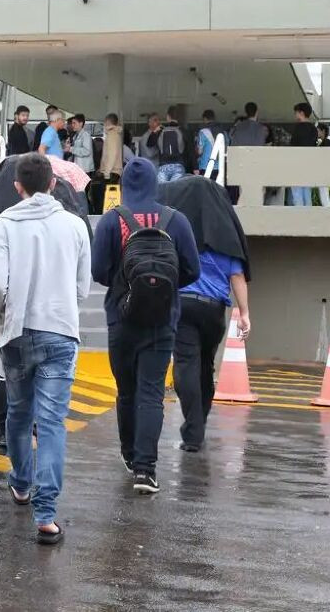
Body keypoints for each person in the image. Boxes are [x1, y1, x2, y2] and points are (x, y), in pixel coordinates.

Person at [0, 153, 91, 545]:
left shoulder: (5, 223)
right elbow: (83, 289)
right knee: (50, 424)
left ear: (18, 187)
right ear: (52, 184)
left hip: (16, 333)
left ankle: (22, 484)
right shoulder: (76, 225)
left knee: (17, 413)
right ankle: (46, 516)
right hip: (61, 334)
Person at [92, 158, 199, 495]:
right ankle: (145, 470)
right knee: (151, 393)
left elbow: (98, 270)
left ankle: (128, 454)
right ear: (156, 183)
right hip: (162, 320)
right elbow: (192, 270)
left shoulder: (112, 220)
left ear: (124, 184)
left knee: (126, 391)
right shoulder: (175, 220)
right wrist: (160, 287)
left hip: (121, 319)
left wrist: (128, 285)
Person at [173, 238, 251, 453]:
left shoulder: (184, 238)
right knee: (206, 367)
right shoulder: (228, 242)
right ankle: (199, 424)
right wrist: (244, 313)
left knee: (186, 365)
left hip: (184, 304)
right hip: (213, 311)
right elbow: (237, 276)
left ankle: (193, 433)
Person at [289, 102, 318, 207]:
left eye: (296, 112)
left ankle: (299, 217)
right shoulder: (314, 129)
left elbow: (292, 145)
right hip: (309, 163)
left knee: (297, 193)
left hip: (296, 163)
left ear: (301, 113)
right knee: (307, 192)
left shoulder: (297, 128)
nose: (295, 115)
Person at [155, 112, 190, 183]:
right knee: (176, 191)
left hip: (163, 165)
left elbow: (149, 143)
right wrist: (194, 167)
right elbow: (190, 150)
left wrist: (155, 131)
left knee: (162, 191)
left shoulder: (161, 130)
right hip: (179, 164)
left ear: (168, 117)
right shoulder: (182, 130)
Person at [98, 112, 124, 183]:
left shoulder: (111, 135)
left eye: (105, 122)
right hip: (114, 171)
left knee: (108, 194)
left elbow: (112, 155)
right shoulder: (116, 134)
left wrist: (106, 173)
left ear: (108, 121)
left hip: (111, 172)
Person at [316, 122, 330, 207]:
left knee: (323, 192)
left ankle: (327, 209)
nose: (317, 132)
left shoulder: (325, 143)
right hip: (326, 171)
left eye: (318, 130)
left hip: (324, 171)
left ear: (323, 131)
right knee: (324, 192)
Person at [195, 110, 216, 176]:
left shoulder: (203, 132)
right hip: (218, 166)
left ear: (205, 119)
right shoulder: (222, 131)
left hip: (205, 165)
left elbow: (200, 152)